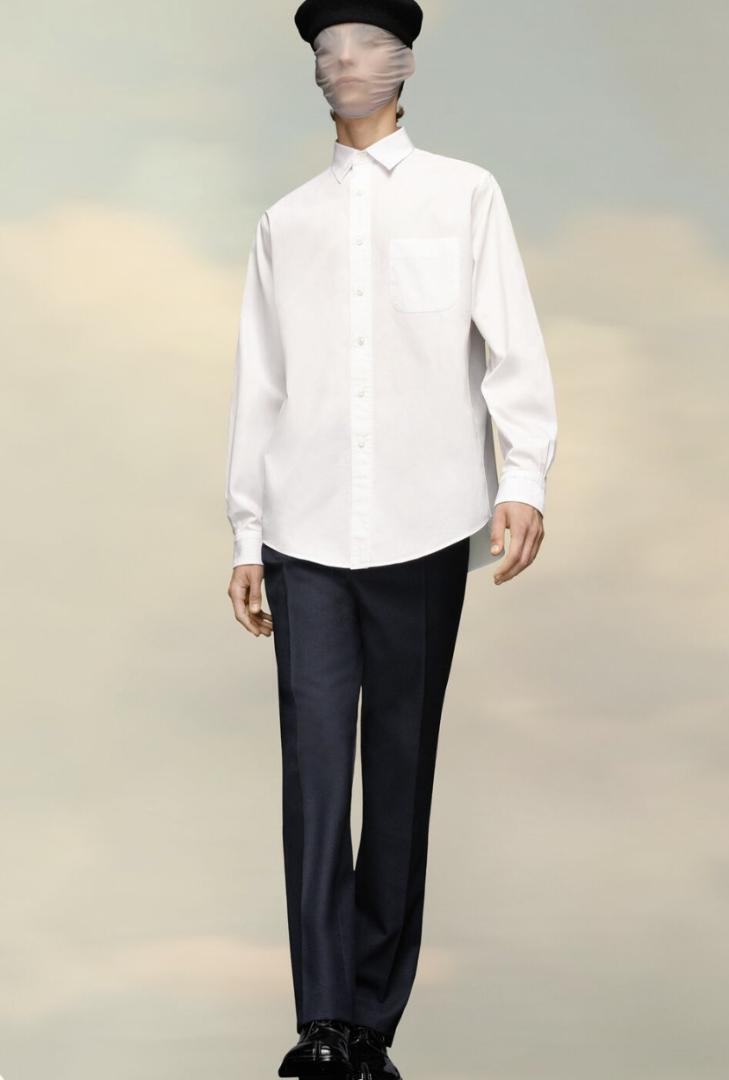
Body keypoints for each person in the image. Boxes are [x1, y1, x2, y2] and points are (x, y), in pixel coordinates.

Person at [224, 1, 558, 1076]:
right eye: (326, 49)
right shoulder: (286, 223)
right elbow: (261, 383)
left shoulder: (465, 194)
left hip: (426, 520)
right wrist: (246, 532)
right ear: (314, 71)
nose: (344, 62)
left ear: (404, 62)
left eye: (365, 43)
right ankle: (321, 1022)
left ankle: (372, 1024)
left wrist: (524, 475)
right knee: (316, 777)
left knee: (402, 771)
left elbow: (511, 342)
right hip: (304, 528)